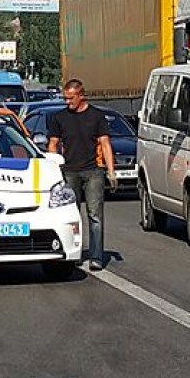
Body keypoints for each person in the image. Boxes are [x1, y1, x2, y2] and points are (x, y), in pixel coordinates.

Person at [47, 79, 117, 271]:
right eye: (65, 98)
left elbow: (105, 143)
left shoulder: (96, 116)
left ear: (81, 96)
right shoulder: (59, 117)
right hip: (69, 172)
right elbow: (53, 144)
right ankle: (74, 254)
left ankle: (96, 257)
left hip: (93, 171)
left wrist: (111, 172)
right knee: (71, 216)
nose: (67, 102)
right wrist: (53, 167)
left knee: (95, 215)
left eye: (70, 98)